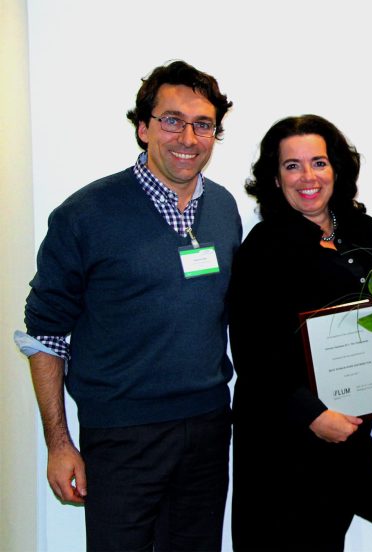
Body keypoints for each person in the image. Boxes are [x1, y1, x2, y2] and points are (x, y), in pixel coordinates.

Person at [15, 60, 240, 551]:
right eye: (171, 120)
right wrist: (59, 443)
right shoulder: (85, 214)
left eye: (203, 124)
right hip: (122, 435)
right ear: (143, 128)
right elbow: (45, 334)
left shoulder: (224, 209)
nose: (188, 136)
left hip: (206, 426)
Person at [229, 114, 372, 551]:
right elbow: (254, 351)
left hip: (345, 439)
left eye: (319, 162)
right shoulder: (263, 246)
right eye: (292, 166)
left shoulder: (365, 233)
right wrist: (311, 414)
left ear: (338, 170)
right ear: (274, 179)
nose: (307, 177)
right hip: (282, 443)